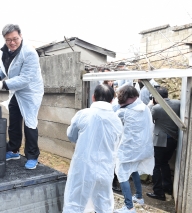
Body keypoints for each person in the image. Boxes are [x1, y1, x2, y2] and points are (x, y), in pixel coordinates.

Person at [0, 24, 44, 170]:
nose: (12, 42)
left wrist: (2, 85)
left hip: (30, 92)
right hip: (15, 91)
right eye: (8, 39)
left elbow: (25, 78)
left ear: (21, 36)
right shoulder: (3, 50)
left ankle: (32, 156)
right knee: (14, 120)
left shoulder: (29, 53)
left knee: (30, 123)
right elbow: (1, 67)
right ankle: (14, 150)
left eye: (15, 39)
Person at [63, 84, 123, 213]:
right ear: (112, 100)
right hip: (106, 167)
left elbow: (71, 135)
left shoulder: (84, 114)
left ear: (93, 97)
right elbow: (117, 143)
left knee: (75, 201)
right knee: (103, 202)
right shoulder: (117, 120)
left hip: (83, 166)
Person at [114, 85, 154, 213]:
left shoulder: (123, 112)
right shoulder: (145, 108)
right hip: (143, 148)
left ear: (127, 98)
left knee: (121, 174)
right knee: (134, 169)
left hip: (128, 151)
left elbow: (114, 129)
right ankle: (139, 196)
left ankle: (129, 207)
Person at [146, 87, 180, 200]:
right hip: (173, 140)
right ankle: (168, 187)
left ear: (157, 97)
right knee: (165, 163)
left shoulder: (156, 108)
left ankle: (158, 192)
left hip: (160, 141)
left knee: (156, 165)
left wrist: (150, 104)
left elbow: (148, 118)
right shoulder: (178, 103)